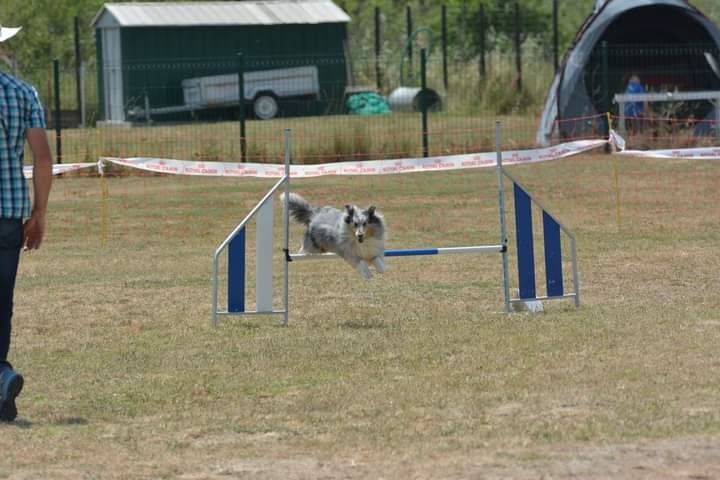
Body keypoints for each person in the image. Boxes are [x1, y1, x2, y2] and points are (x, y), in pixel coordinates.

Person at [0, 24, 53, 422]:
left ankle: (2, 378)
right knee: (2, 303)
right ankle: (1, 380)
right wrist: (39, 213)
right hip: (9, 214)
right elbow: (43, 158)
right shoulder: (24, 92)